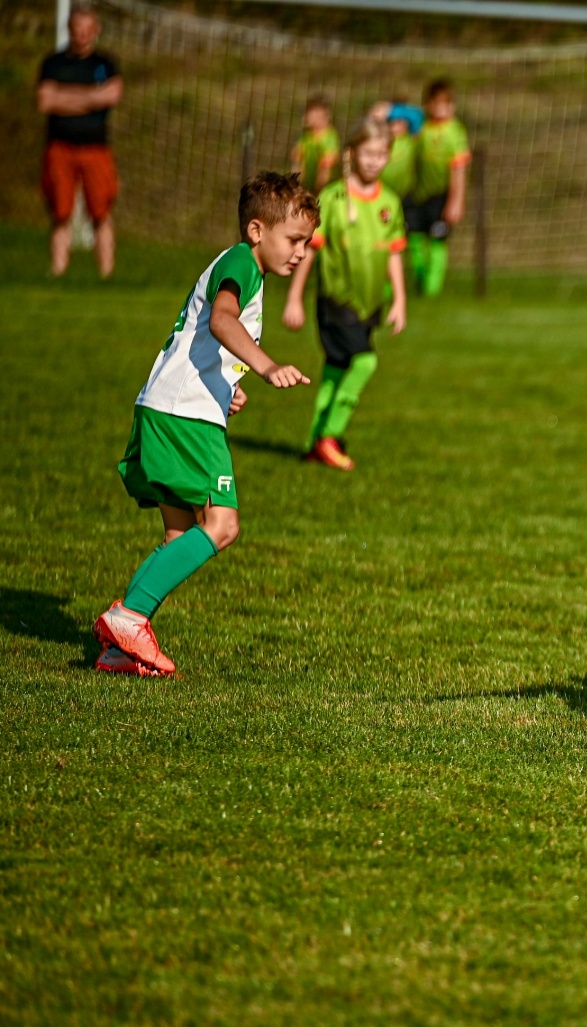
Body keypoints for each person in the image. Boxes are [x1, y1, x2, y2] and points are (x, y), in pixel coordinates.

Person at [92, 174, 317, 677]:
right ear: (257, 230)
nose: (302, 253)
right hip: (184, 417)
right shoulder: (242, 262)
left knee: (180, 537)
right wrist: (265, 367)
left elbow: (201, 340)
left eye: (307, 242)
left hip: (167, 407)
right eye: (294, 240)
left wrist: (225, 386)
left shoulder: (239, 263)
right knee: (222, 525)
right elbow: (221, 320)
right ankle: (127, 616)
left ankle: (118, 647)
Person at [283, 118, 408, 471]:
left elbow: (394, 252)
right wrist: (294, 297)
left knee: (336, 370)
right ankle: (330, 436)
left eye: (382, 154)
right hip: (336, 301)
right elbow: (310, 250)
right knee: (365, 361)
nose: (374, 161)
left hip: (369, 302)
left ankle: (313, 441)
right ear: (351, 153)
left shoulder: (389, 202)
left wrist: (399, 298)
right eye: (368, 153)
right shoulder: (332, 198)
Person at [36, 4, 122, 279]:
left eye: (88, 30)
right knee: (61, 211)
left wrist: (65, 97)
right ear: (69, 30)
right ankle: (58, 271)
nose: (82, 35)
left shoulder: (105, 64)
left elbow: (112, 95)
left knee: (101, 211)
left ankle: (107, 275)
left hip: (96, 148)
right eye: (77, 29)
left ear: (95, 31)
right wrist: (90, 98)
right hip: (60, 147)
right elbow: (45, 100)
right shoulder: (53, 63)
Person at [406, 79, 471, 298]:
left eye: (445, 103)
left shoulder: (455, 131)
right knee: (414, 237)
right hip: (419, 193)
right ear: (428, 104)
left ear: (452, 105)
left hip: (442, 195)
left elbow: (459, 170)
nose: (440, 108)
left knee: (437, 239)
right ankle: (420, 280)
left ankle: (432, 290)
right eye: (436, 103)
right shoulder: (421, 126)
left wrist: (456, 201)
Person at [370, 99, 422, 204]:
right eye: (391, 121)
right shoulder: (381, 139)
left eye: (400, 121)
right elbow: (371, 119)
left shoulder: (411, 140)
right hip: (380, 192)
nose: (395, 125)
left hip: (405, 195)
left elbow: (419, 115)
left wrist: (393, 110)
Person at [292, 95, 340, 192]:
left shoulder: (330, 138)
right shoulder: (306, 137)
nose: (305, 117)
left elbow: (325, 170)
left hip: (326, 191)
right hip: (306, 189)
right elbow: (297, 163)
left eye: (309, 113)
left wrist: (318, 193)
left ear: (322, 114)